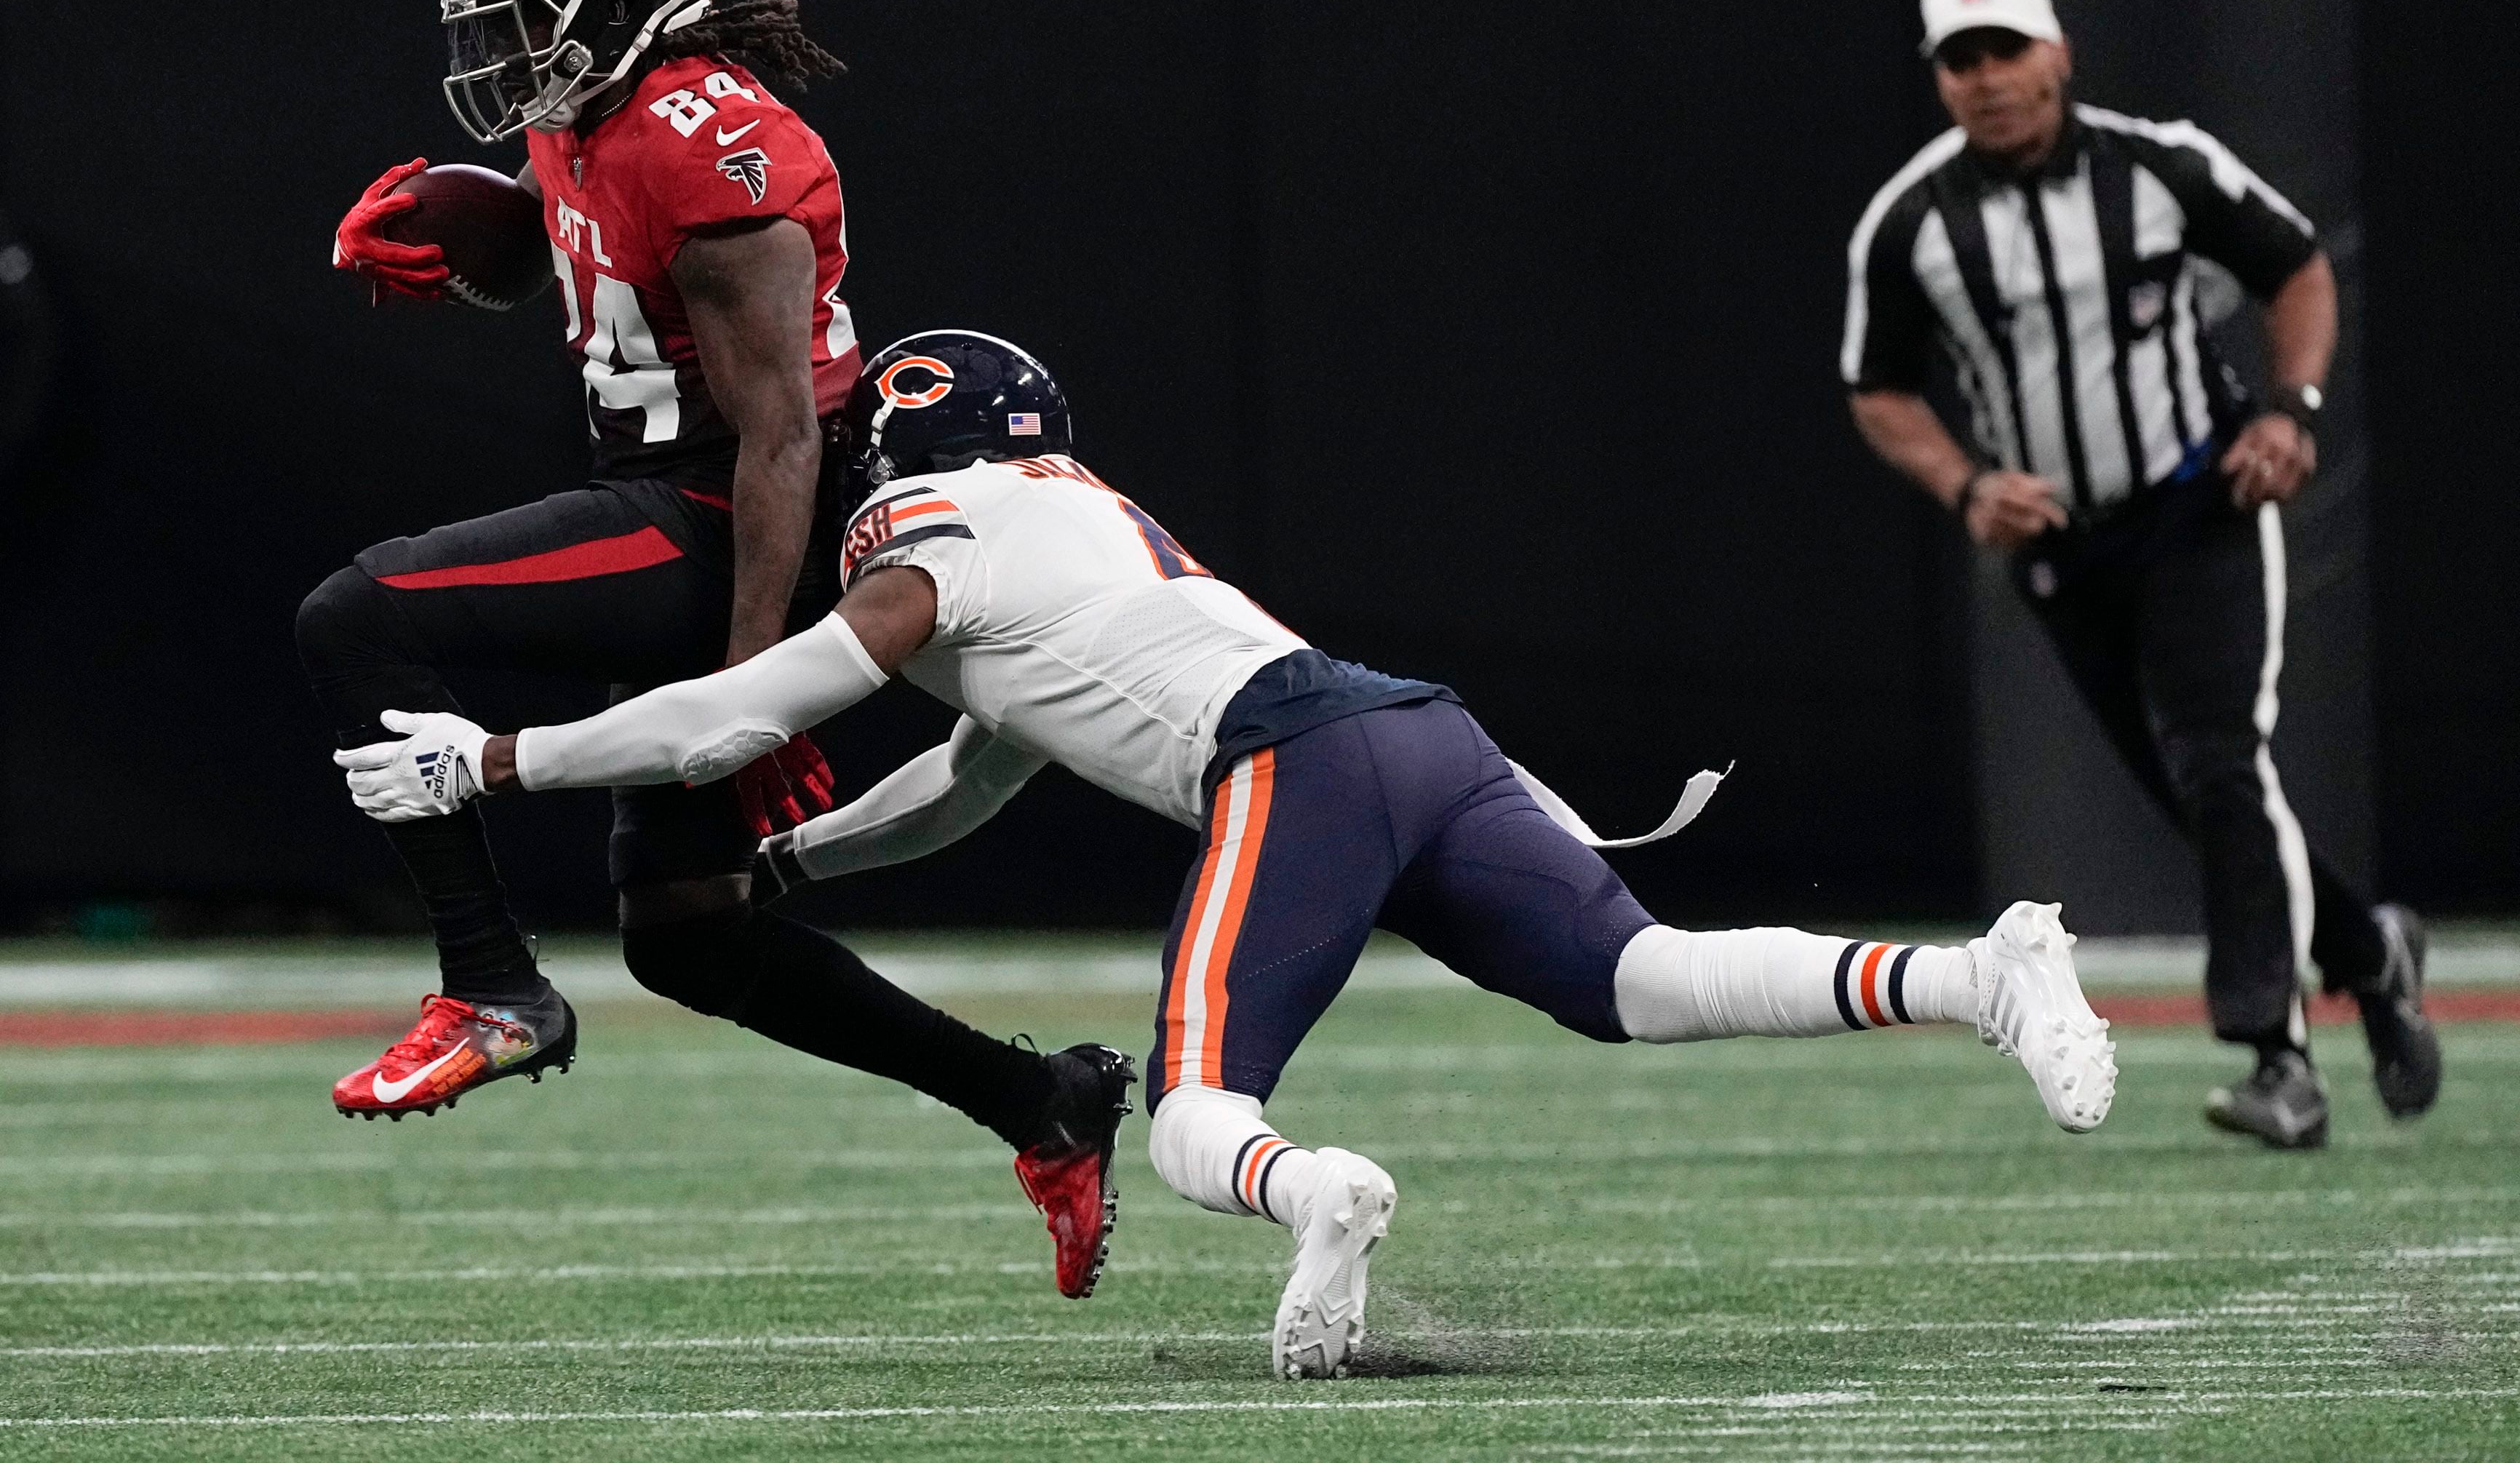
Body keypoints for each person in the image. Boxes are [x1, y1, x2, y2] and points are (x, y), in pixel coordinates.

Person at [335, 329, 2121, 1380]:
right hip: (1410, 725)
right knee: (1635, 981)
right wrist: (795, 882)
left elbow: (728, 722)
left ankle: (1314, 1194)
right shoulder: (1084, 520)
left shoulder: (925, 543)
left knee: (1197, 1102)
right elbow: (973, 780)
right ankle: (1984, 972)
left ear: (896, 444)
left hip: (1298, 761)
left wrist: (497, 757)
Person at [306, 0, 1131, 1296]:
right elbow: (587, 262)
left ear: (614, 3)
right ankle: (1042, 1103)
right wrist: (471, 230)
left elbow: (781, 433)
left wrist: (755, 694)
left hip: (726, 511)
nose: (503, 57)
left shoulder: (717, 139)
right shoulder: (593, 106)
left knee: (359, 615)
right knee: (690, 937)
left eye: (526, 20)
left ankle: (491, 986)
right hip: (671, 486)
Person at [1839, 0, 2440, 1149]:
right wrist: (1965, 481)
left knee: (2223, 765)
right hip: (2067, 545)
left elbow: (2299, 266)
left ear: (2056, 53)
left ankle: (2280, 1058)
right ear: (1942, 84)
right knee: (2200, 794)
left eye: (2006, 50)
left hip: (2196, 503)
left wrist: (2294, 410)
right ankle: (2372, 950)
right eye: (1963, 62)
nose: (1989, 78)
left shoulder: (2162, 165)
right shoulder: (1911, 221)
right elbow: (1877, 388)